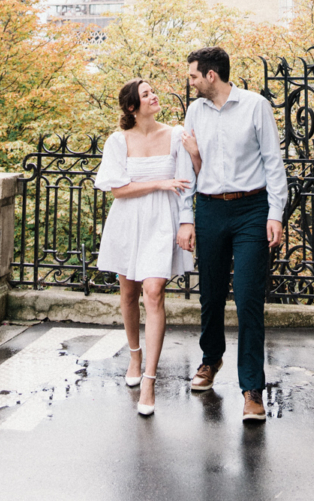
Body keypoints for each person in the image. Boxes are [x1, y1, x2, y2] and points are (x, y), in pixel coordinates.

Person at [176, 46, 288, 423]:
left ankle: (252, 389)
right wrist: (186, 218)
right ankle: (211, 359)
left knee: (248, 299)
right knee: (210, 294)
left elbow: (273, 162)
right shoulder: (194, 111)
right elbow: (190, 167)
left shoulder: (255, 105)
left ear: (211, 75)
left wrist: (275, 213)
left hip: (251, 210)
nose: (189, 81)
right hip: (209, 208)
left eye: (193, 75)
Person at [94, 78, 193, 417]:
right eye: (147, 94)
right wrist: (158, 183)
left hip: (162, 222)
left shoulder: (177, 135)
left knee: (153, 292)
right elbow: (117, 190)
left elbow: (187, 181)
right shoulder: (118, 141)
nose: (154, 96)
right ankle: (134, 355)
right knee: (128, 292)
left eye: (153, 91)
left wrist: (185, 220)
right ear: (132, 107)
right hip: (128, 222)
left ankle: (150, 380)